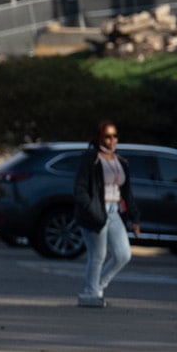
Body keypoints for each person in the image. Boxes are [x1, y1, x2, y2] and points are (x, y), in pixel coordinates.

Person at [74, 120, 138, 308]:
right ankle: (91, 293)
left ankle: (97, 285)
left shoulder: (121, 161)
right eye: (107, 136)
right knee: (98, 254)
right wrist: (92, 211)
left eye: (115, 136)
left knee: (123, 254)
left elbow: (127, 192)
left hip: (114, 211)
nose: (112, 140)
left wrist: (134, 218)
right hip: (96, 212)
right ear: (98, 138)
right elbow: (80, 190)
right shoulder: (90, 159)